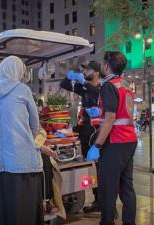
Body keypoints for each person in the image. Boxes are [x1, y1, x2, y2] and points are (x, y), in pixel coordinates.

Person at [0, 56, 44, 225]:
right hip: (18, 161)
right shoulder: (23, 90)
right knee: (20, 213)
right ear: (18, 71)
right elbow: (35, 125)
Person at [87, 51, 138, 225]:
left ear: (107, 66)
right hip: (129, 140)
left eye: (102, 64)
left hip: (115, 142)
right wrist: (98, 112)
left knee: (108, 188)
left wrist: (98, 145)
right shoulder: (124, 84)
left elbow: (110, 118)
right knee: (126, 187)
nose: (101, 66)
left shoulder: (109, 86)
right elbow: (120, 112)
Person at [59, 61, 101, 212]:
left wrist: (83, 81)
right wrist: (70, 77)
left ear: (96, 72)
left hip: (96, 132)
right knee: (91, 167)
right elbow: (64, 84)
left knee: (99, 167)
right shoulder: (84, 88)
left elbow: (95, 93)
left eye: (88, 69)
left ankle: (102, 202)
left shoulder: (101, 88)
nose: (85, 72)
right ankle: (98, 200)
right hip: (85, 131)